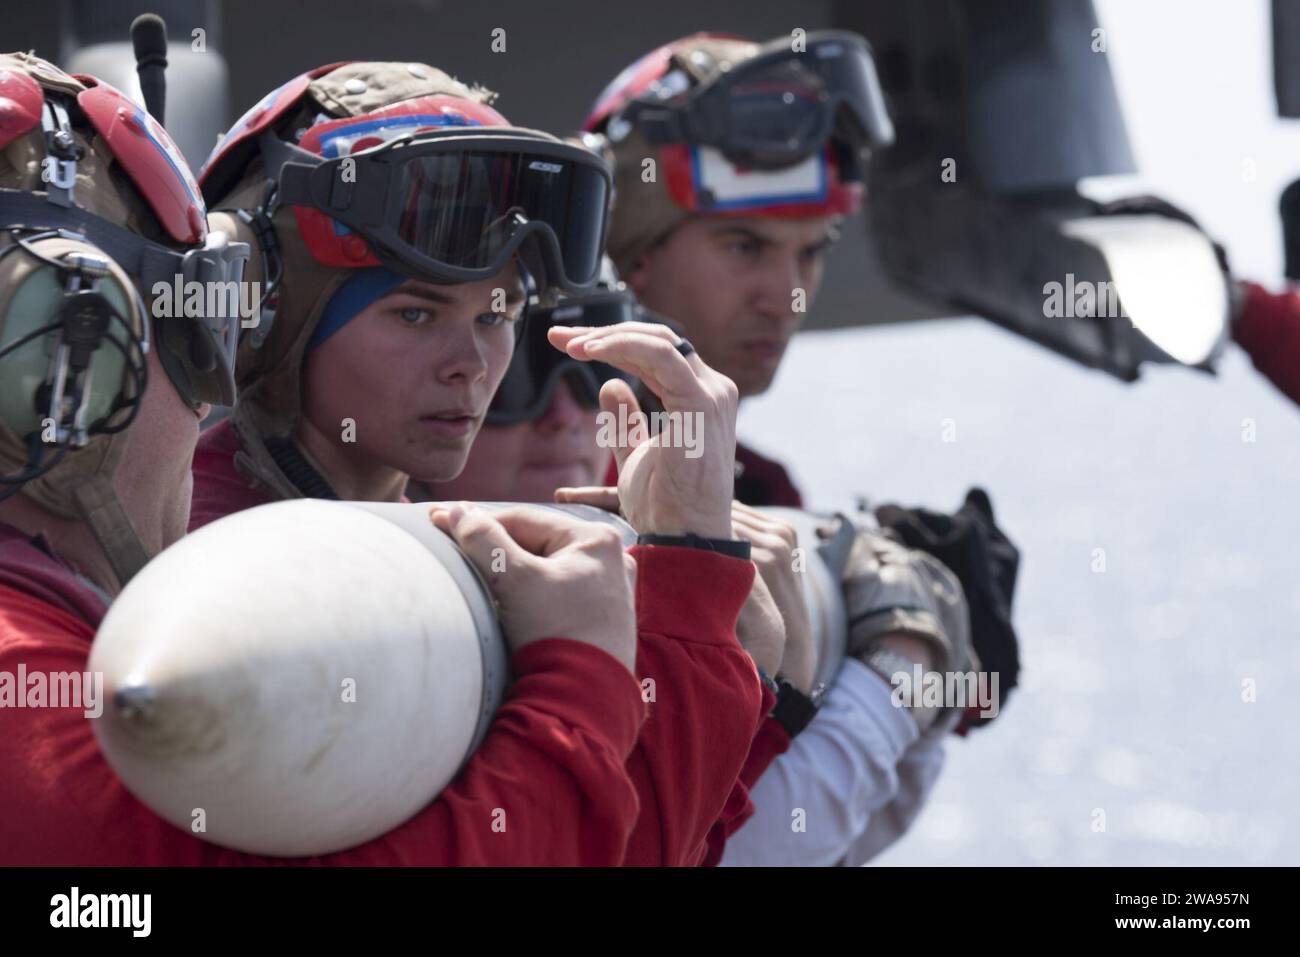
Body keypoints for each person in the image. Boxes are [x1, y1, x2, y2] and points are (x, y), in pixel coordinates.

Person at [0, 53, 687, 866]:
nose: (470, 364)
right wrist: (594, 673)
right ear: (54, 375)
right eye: (186, 333)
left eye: (498, 313)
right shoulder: (83, 660)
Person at [191, 61, 774, 866]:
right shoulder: (217, 575)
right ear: (263, 320)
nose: (469, 363)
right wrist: (689, 588)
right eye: (415, 312)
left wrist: (691, 576)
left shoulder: (407, 540)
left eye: (498, 313)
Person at [575, 32, 984, 865]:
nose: (788, 295)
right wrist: (903, 663)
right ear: (632, 258)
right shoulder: (547, 460)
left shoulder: (757, 484)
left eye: (812, 251)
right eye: (745, 247)